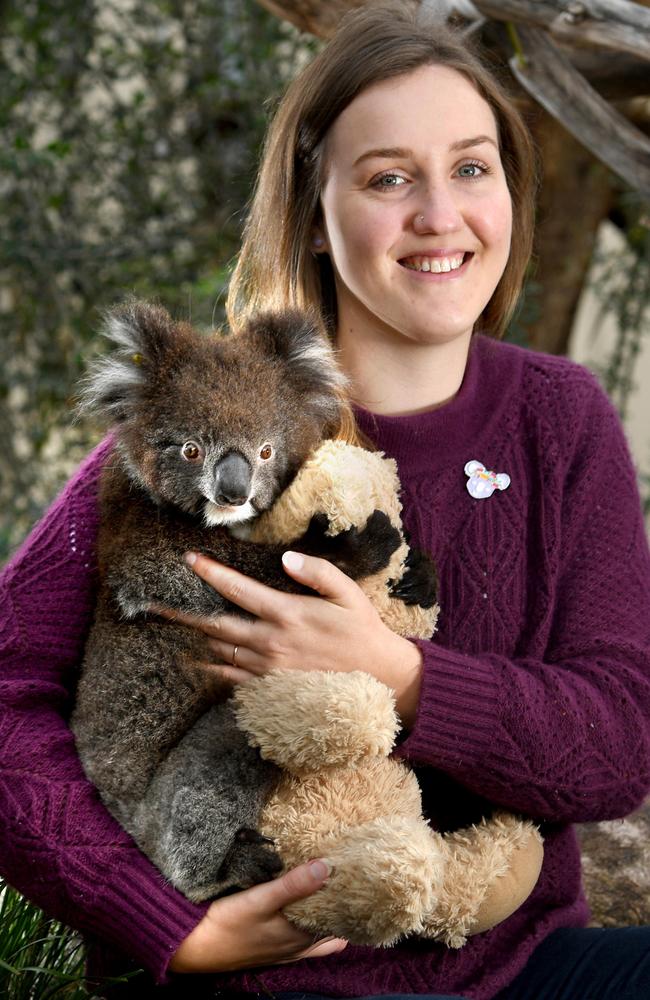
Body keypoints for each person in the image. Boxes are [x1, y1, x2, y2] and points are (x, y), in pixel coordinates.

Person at [1, 2, 649, 998]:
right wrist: (170, 927)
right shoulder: (197, 432)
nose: (440, 214)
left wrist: (398, 673)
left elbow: (614, 742)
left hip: (520, 969)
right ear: (311, 210)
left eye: (470, 167)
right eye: (389, 177)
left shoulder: (558, 418)